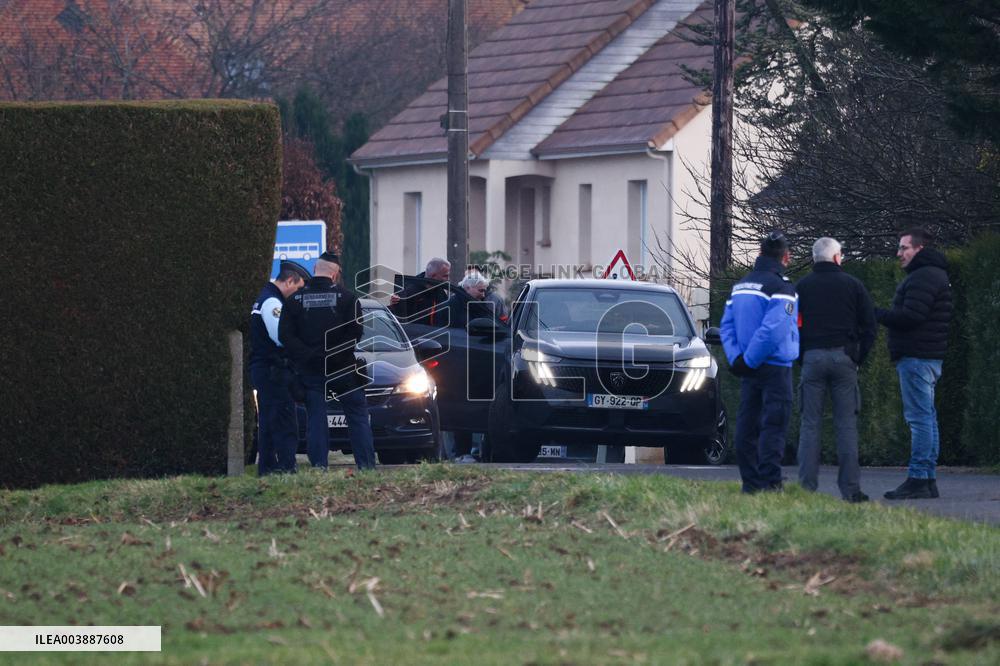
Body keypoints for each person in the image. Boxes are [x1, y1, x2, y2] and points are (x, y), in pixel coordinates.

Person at [795, 238, 876, 502]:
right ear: (837, 257)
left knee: (810, 425)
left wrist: (802, 355)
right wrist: (858, 357)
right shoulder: (853, 285)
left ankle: (806, 490)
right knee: (846, 425)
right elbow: (870, 325)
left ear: (814, 258)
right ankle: (851, 491)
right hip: (844, 358)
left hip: (812, 358)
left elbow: (791, 326)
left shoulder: (802, 287)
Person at [278, 252, 376, 471]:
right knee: (358, 416)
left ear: (315, 269)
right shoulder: (348, 299)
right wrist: (333, 355)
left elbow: (286, 335)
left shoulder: (295, 301)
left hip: (311, 371)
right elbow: (355, 333)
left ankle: (319, 467)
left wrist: (309, 355)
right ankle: (367, 466)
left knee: (316, 419)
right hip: (343, 369)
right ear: (335, 274)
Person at [720, 231, 800, 493]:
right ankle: (770, 482)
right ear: (785, 257)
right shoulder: (782, 288)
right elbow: (773, 330)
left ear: (760, 254)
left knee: (746, 425)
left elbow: (727, 327)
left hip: (747, 368)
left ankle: (750, 483)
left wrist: (737, 358)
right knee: (773, 426)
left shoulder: (740, 286)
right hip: (775, 367)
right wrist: (751, 359)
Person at [877, 228, 953, 500]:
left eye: (904, 248)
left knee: (919, 419)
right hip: (928, 356)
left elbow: (911, 317)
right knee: (927, 417)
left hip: (916, 356)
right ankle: (927, 479)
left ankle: (919, 477)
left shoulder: (923, 277)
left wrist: (875, 313)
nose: (899, 253)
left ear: (919, 249)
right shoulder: (936, 274)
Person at [249, 260, 311, 475]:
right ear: (289, 281)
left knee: (268, 422)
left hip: (265, 369)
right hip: (273, 371)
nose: (298, 294)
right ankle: (286, 467)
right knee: (285, 421)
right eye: (298, 288)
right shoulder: (272, 303)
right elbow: (282, 337)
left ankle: (267, 468)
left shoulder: (264, 297)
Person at [389, 257, 451, 325]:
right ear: (433, 276)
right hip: (416, 331)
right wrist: (394, 305)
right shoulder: (410, 291)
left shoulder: (440, 290)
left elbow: (447, 314)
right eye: (445, 276)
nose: (448, 279)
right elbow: (397, 317)